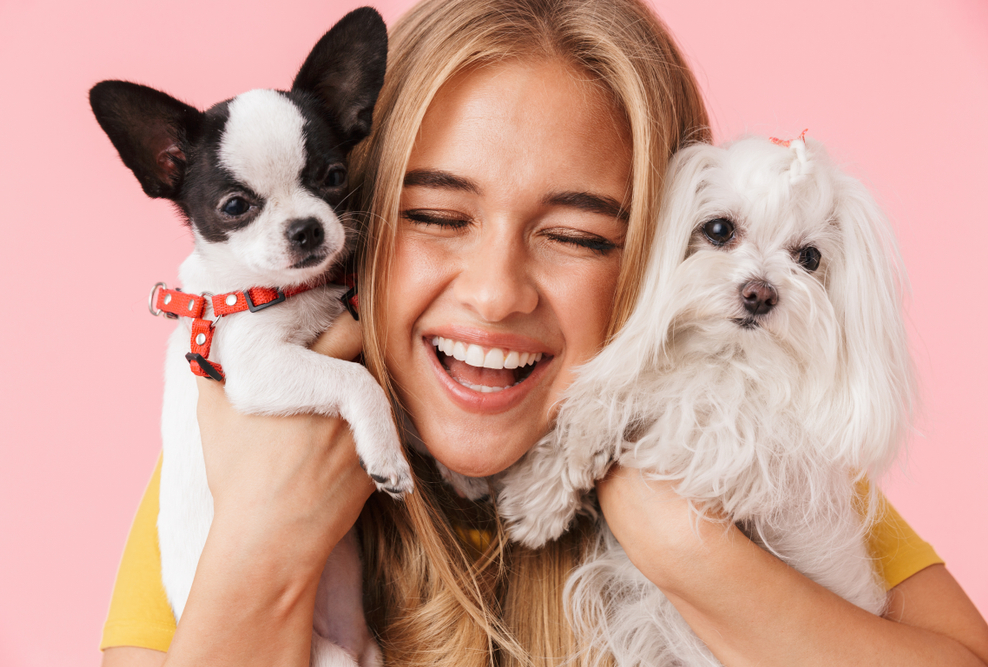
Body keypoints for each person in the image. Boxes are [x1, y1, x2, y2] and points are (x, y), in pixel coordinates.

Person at [100, 0, 988, 665]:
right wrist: (261, 547)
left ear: (667, 245)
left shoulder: (749, 456)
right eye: (439, 216)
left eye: (575, 236)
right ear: (354, 202)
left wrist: (687, 547)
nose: (493, 295)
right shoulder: (236, 457)